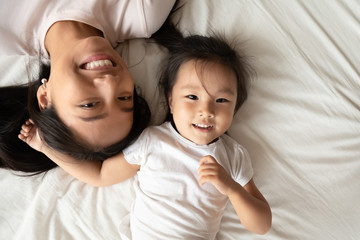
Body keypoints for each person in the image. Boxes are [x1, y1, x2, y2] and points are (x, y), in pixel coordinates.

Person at [20, 25, 272, 238]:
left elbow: (261, 225)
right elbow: (100, 175)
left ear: (236, 105)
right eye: (192, 97)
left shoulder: (233, 156)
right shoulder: (153, 141)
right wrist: (45, 147)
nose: (205, 111)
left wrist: (231, 189)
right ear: (171, 101)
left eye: (221, 101)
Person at [0, 0, 176, 173]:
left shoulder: (6, 31)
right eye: (124, 97)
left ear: (45, 98)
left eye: (89, 104)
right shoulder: (142, 11)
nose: (109, 82)